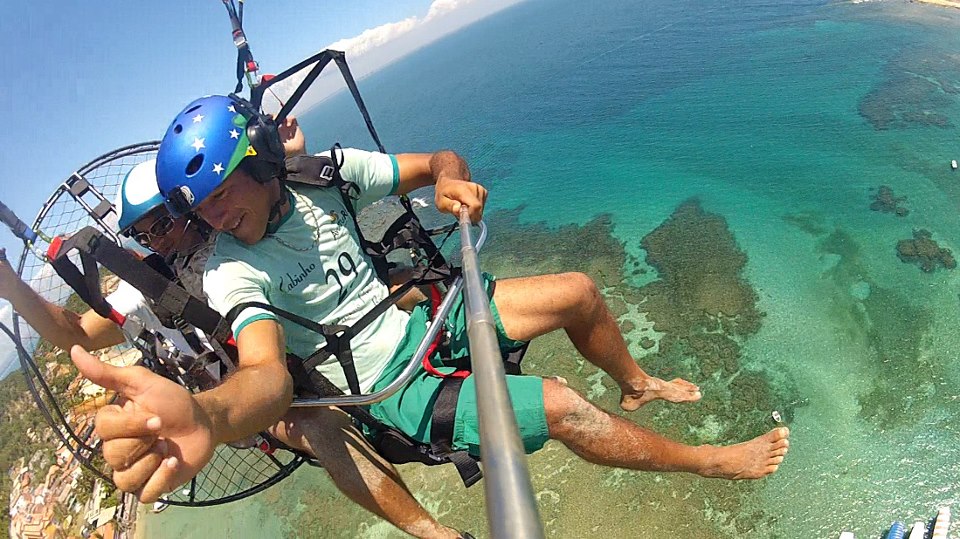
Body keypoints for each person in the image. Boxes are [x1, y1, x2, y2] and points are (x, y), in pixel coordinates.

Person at [71, 94, 790, 513]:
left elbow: (436, 160)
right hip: (390, 391)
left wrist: (448, 181)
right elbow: (263, 371)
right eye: (205, 207)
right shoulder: (232, 272)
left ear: (262, 166)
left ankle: (637, 385)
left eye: (228, 191)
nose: (220, 216)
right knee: (565, 405)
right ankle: (706, 460)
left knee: (579, 291)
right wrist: (207, 414)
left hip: (421, 319)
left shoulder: (322, 176)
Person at [2, 138, 468, 538]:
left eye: (162, 224)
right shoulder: (153, 282)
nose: (157, 242)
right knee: (319, 429)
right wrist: (9, 283)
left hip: (325, 330)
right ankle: (435, 532)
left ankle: (461, 343)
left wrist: (294, 156)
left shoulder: (242, 227)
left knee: (404, 281)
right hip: (264, 379)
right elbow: (76, 332)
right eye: (142, 236)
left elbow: (301, 221)